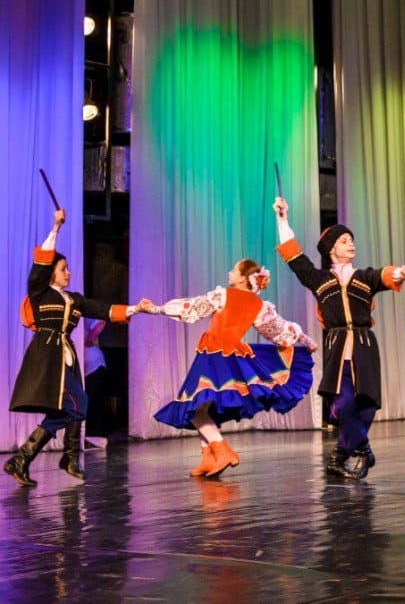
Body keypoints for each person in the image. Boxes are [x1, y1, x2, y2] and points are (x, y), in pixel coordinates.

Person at [274, 197, 405, 479]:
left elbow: (385, 275)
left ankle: (339, 457)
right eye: (344, 241)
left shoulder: (363, 277)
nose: (351, 244)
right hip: (337, 347)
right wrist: (282, 219)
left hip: (364, 345)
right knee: (343, 403)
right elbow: (293, 256)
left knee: (368, 406)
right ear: (331, 249)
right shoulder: (319, 279)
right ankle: (363, 448)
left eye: (352, 240)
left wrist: (403, 271)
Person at [6, 208, 140, 487]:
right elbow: (41, 262)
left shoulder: (74, 299)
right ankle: (66, 457)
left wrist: (136, 309)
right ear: (51, 273)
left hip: (64, 359)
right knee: (79, 404)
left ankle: (23, 459)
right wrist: (56, 227)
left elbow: (102, 309)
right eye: (63, 269)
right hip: (47, 357)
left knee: (68, 409)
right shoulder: (40, 293)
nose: (68, 272)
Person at [148, 259, 317, 476]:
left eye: (234, 270)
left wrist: (155, 309)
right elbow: (280, 330)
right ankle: (209, 457)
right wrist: (305, 339)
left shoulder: (223, 295)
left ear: (243, 278)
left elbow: (191, 307)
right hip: (231, 355)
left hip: (214, 353)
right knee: (201, 407)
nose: (230, 273)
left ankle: (222, 451)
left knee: (194, 406)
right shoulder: (259, 305)